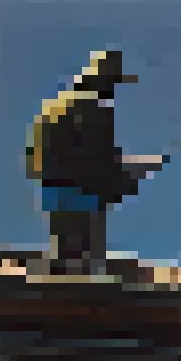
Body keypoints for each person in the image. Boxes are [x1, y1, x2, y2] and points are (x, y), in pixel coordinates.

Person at [27, 49, 165, 275]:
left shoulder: (55, 106)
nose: (114, 88)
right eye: (114, 81)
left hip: (52, 190)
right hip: (82, 194)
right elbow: (103, 160)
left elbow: (39, 154)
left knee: (65, 255)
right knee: (86, 261)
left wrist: (131, 170)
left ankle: (62, 281)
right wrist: (134, 174)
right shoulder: (96, 109)